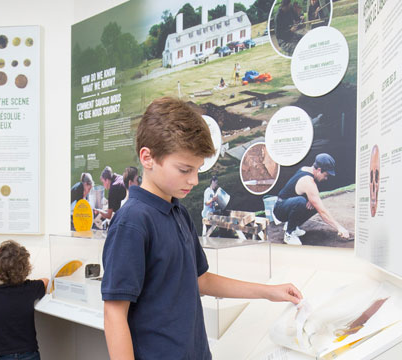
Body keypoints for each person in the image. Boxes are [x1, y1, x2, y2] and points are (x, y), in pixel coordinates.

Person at [101, 97, 302, 359]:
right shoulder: (132, 222)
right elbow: (114, 313)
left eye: (197, 170)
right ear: (147, 157)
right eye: (184, 169)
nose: (194, 180)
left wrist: (268, 291)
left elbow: (200, 280)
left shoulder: (179, 212)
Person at [0, 240, 49, 360]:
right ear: (25, 268)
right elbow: (46, 281)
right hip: (29, 353)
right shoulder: (30, 288)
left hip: (4, 355)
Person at [273, 153, 350, 245]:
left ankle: (292, 225)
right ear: (319, 170)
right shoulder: (308, 182)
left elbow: (297, 190)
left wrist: (309, 199)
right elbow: (322, 212)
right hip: (280, 209)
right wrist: (339, 228)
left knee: (314, 204)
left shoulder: (306, 169)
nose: (326, 178)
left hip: (287, 204)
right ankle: (289, 234)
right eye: (326, 175)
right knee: (303, 203)